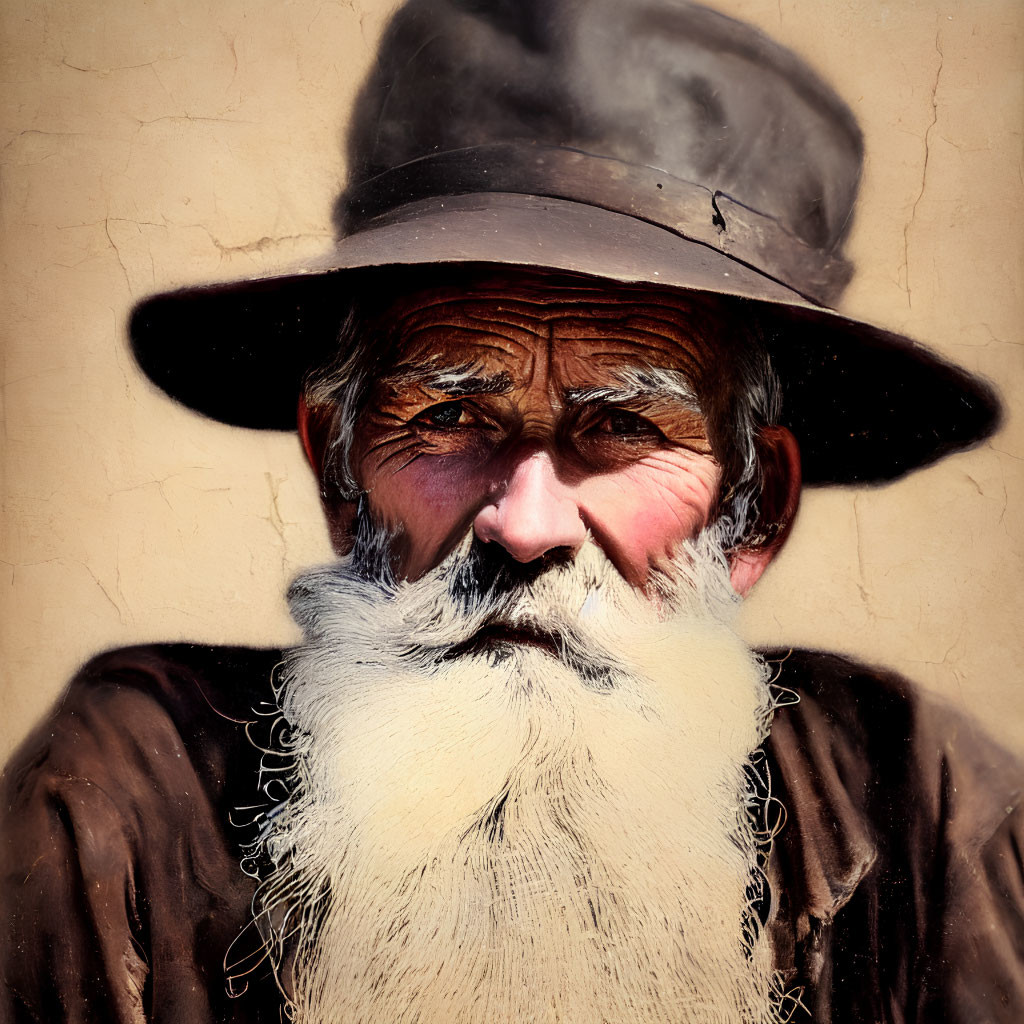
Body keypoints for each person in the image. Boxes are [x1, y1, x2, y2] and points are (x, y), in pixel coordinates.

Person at [2, 1, 1021, 1022]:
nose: (526, 525)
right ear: (338, 473)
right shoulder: (120, 810)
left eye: (622, 426)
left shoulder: (929, 821)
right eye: (448, 415)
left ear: (752, 512)